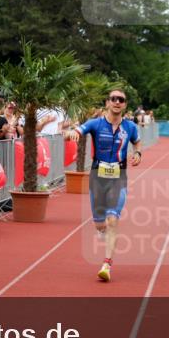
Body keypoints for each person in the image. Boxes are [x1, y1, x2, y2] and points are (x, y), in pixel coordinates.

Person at [65, 88, 142, 283]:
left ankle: (106, 264)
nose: (117, 102)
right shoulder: (95, 123)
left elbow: (137, 143)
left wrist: (138, 153)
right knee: (100, 223)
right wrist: (71, 134)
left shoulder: (130, 127)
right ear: (107, 102)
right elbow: (76, 131)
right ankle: (101, 230)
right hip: (97, 178)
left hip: (119, 177)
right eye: (113, 99)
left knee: (112, 220)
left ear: (125, 105)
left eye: (121, 100)